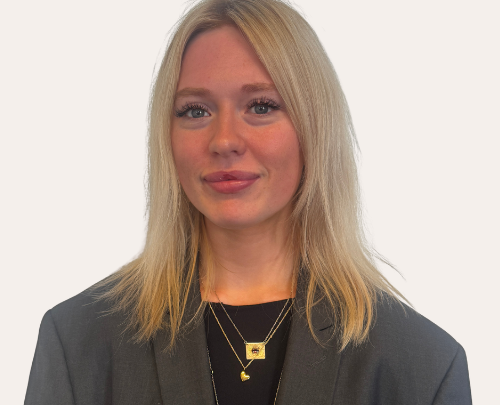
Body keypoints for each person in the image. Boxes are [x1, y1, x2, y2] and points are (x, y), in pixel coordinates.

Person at [25, 0, 472, 404]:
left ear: (314, 126)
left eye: (260, 106)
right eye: (195, 110)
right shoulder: (79, 343)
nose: (224, 140)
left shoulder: (421, 366)